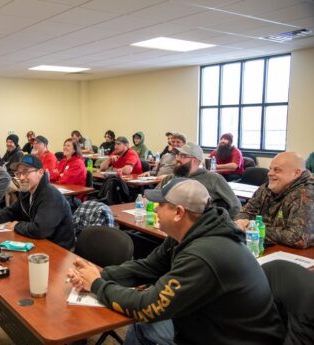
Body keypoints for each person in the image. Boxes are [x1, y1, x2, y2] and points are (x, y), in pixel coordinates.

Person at [67, 179, 285, 345]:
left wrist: (97, 285)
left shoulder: (203, 254)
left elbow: (148, 307)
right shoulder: (187, 234)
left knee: (144, 321)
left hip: (233, 338)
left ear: (179, 212)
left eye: (160, 204)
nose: (154, 208)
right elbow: (147, 267)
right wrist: (98, 274)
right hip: (208, 318)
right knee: (142, 325)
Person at [235, 152, 314, 249]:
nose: (270, 173)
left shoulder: (307, 194)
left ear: (296, 173)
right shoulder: (267, 188)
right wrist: (241, 222)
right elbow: (247, 211)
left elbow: (298, 238)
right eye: (270, 169)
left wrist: (254, 229)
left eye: (277, 170)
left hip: (297, 255)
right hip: (263, 245)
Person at [0, 155, 74, 250]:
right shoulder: (26, 191)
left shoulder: (50, 195)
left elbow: (40, 229)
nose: (21, 177)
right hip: (38, 242)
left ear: (40, 173)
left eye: (26, 172)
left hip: (58, 249)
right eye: (18, 173)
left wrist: (17, 225)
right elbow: (12, 212)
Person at [159, 142, 241, 219]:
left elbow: (236, 206)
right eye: (178, 155)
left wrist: (222, 225)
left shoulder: (213, 179)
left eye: (183, 156)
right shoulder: (170, 178)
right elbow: (152, 199)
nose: (177, 159)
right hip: (167, 221)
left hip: (199, 227)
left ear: (195, 160)